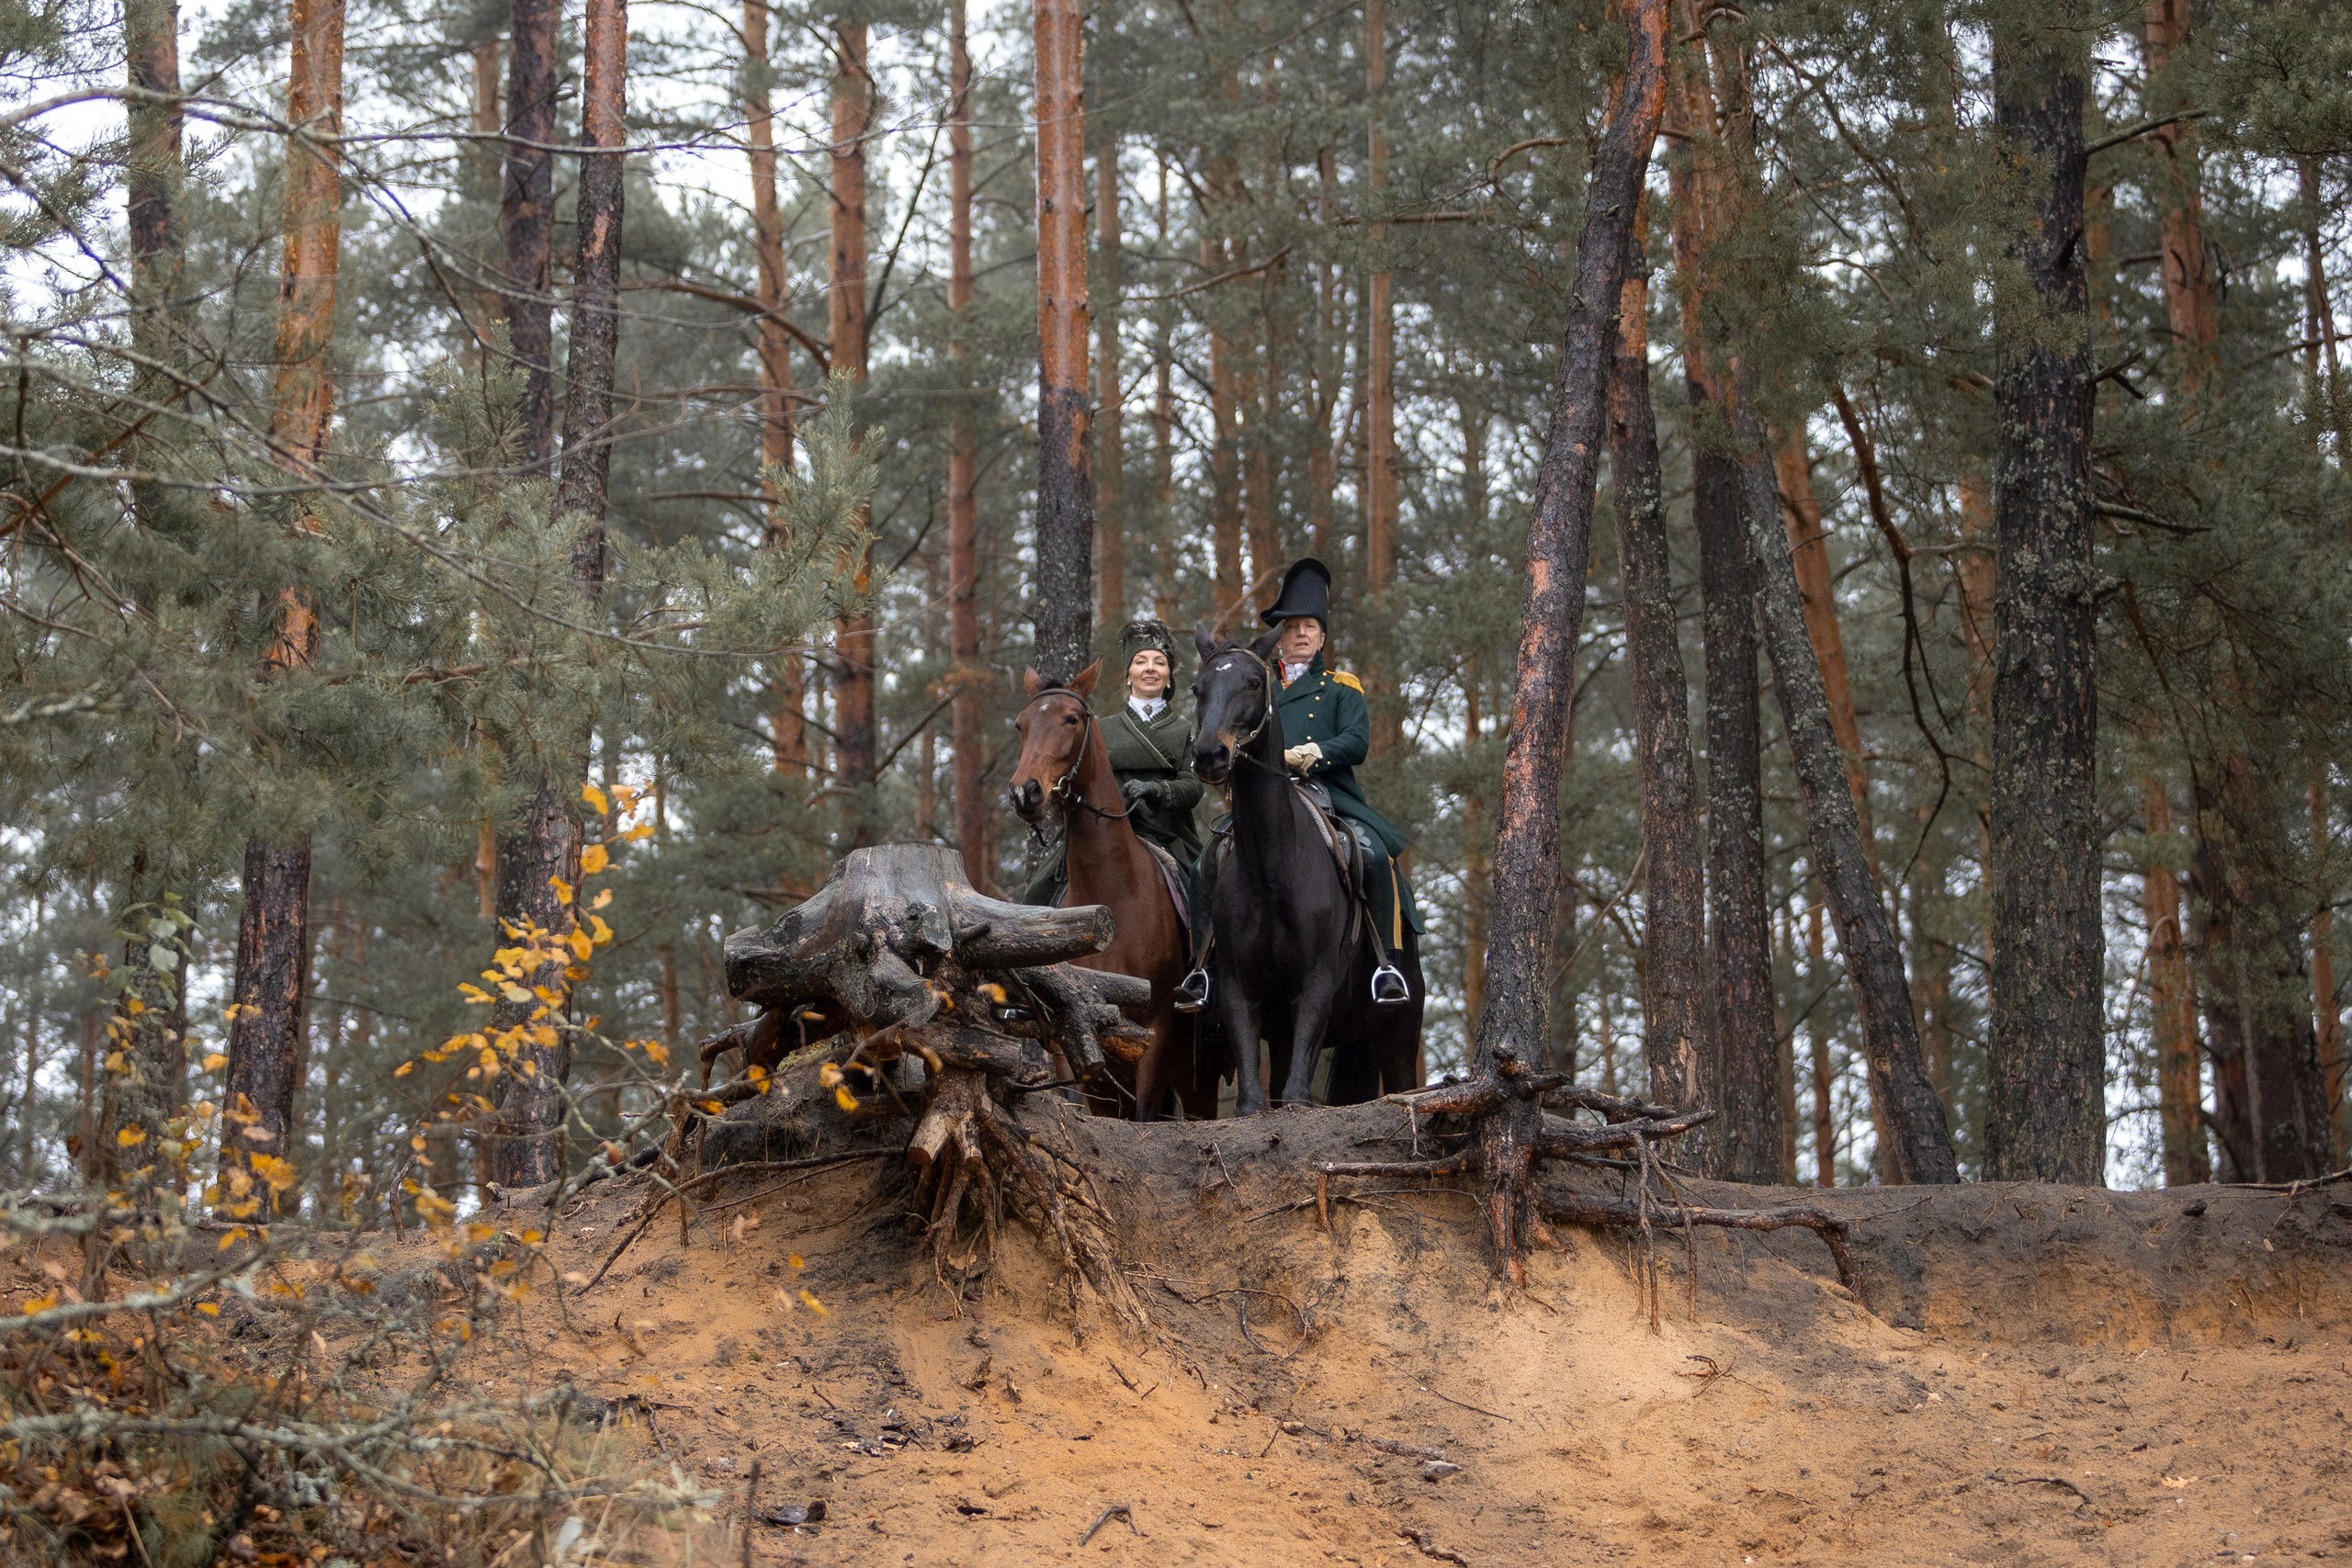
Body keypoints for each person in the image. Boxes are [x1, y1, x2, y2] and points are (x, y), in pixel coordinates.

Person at [1255, 558, 1423, 942]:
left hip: (1330, 794)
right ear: (1279, 639)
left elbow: (1355, 742)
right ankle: (1205, 968)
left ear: (1322, 638)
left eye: (1309, 627)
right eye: (1292, 627)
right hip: (1267, 796)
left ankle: (1387, 964)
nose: (1300, 634)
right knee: (1206, 865)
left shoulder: (1341, 686)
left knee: (1376, 858)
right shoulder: (1259, 691)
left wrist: (1305, 754)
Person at [1018, 619, 1206, 906]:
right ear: (1129, 674)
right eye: (1141, 661)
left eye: (1160, 662)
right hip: (1099, 829)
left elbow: (1193, 787)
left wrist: (1157, 790)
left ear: (1169, 676)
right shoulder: (1099, 728)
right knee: (1035, 893)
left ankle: (1203, 952)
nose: (1151, 668)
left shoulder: (1182, 730)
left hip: (1168, 835)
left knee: (1209, 891)